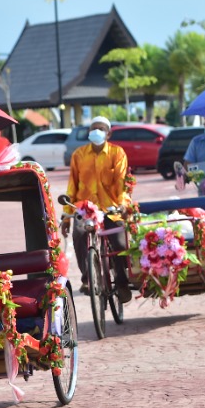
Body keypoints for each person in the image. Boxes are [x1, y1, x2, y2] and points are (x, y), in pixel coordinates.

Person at [62, 115, 132, 302]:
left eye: (100, 129)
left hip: (111, 208)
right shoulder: (78, 155)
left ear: (108, 134)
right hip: (84, 209)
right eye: (93, 128)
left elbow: (122, 183)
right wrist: (67, 216)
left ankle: (121, 281)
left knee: (119, 244)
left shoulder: (117, 153)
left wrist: (123, 205)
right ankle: (87, 278)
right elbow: (72, 187)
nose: (96, 132)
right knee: (79, 235)